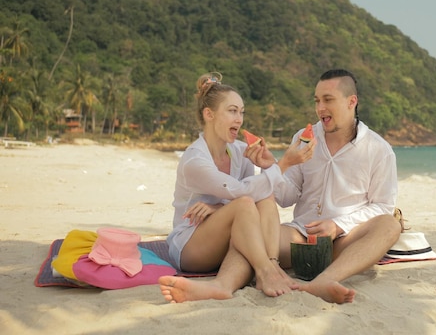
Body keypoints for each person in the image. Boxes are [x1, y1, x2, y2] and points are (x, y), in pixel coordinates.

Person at [158, 73, 314, 303]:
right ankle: (266, 271)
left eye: (241, 112)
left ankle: (227, 284)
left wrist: (267, 164)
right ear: (209, 114)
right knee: (245, 203)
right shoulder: (195, 160)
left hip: (227, 237)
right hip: (190, 246)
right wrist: (284, 164)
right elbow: (240, 195)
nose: (239, 119)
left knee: (264, 197)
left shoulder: (240, 151)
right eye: (232, 111)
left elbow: (253, 196)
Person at [272, 69, 402, 304]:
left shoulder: (378, 149)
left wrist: (337, 226)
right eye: (317, 101)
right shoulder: (303, 138)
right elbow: (285, 197)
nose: (320, 108)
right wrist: (276, 167)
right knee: (252, 233)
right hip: (300, 237)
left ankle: (326, 279)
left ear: (352, 102)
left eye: (328, 100)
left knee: (389, 225)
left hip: (345, 241)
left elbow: (383, 205)